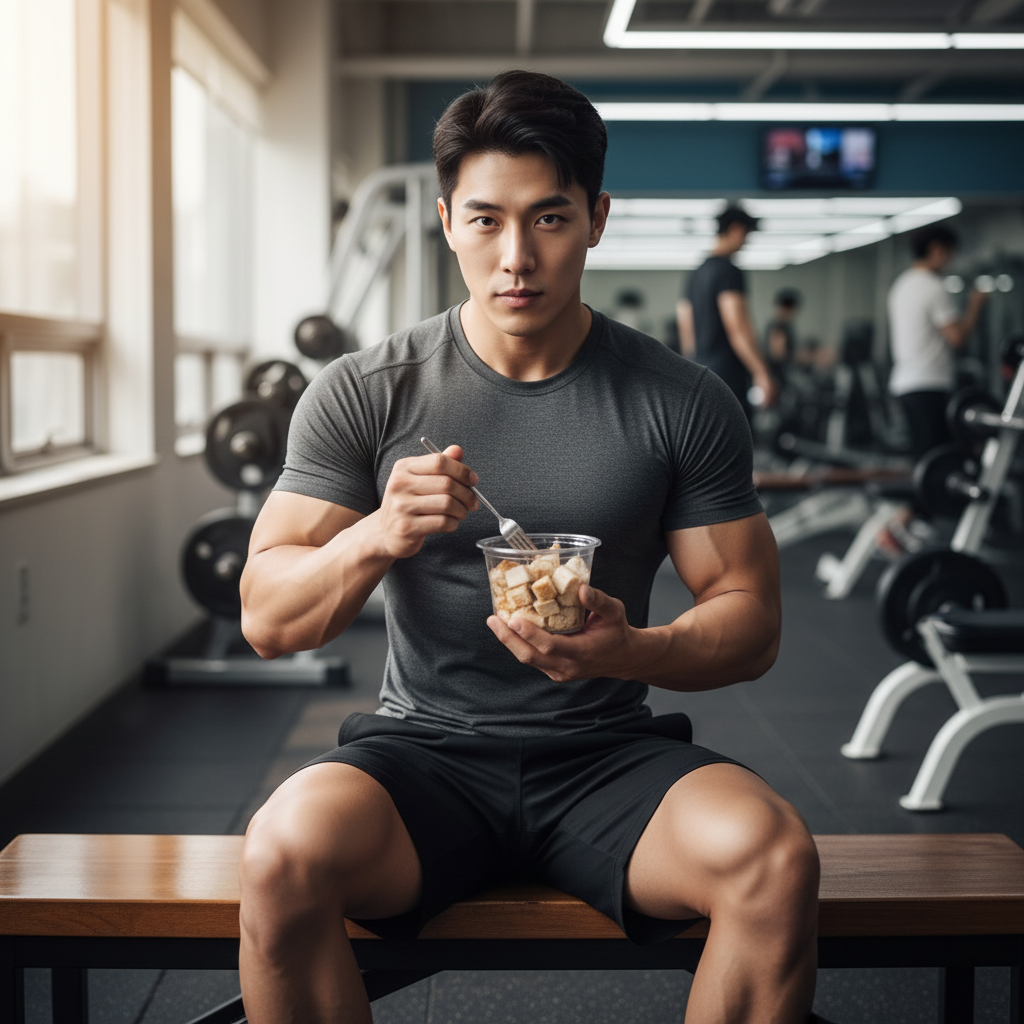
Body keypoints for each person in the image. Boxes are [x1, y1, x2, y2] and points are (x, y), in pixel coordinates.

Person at [237, 70, 822, 1024]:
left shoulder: (681, 400)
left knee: (775, 858)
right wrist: (379, 534)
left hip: (607, 758)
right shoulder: (366, 392)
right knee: (280, 855)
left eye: (549, 219)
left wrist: (632, 649)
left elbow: (751, 623)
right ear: (447, 222)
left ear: (596, 220)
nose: (516, 258)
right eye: (485, 221)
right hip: (422, 755)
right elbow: (268, 619)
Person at [888, 224, 988, 460]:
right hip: (929, 383)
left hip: (905, 383)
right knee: (938, 457)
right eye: (950, 253)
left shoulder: (901, 285)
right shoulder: (933, 286)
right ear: (936, 249)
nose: (951, 260)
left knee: (924, 455)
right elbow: (957, 337)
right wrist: (975, 306)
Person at [677, 206, 779, 420]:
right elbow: (737, 327)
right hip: (727, 379)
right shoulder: (728, 271)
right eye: (746, 235)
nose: (746, 243)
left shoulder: (696, 273)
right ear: (736, 229)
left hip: (702, 374)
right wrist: (761, 372)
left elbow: (685, 325)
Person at [764, 288, 802, 382]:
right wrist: (804, 357)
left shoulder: (784, 326)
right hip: (777, 377)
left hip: (781, 375)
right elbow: (777, 354)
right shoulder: (779, 326)